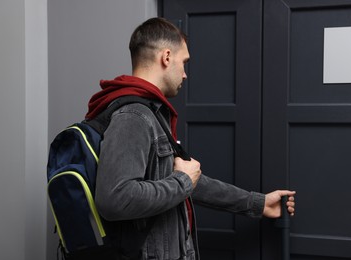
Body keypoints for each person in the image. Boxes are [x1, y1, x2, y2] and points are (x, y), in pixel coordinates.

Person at [85, 17, 296, 260]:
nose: (185, 74)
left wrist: (257, 203)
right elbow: (115, 199)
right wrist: (183, 180)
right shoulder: (134, 116)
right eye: (184, 62)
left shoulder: (150, 113)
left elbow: (189, 182)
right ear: (166, 57)